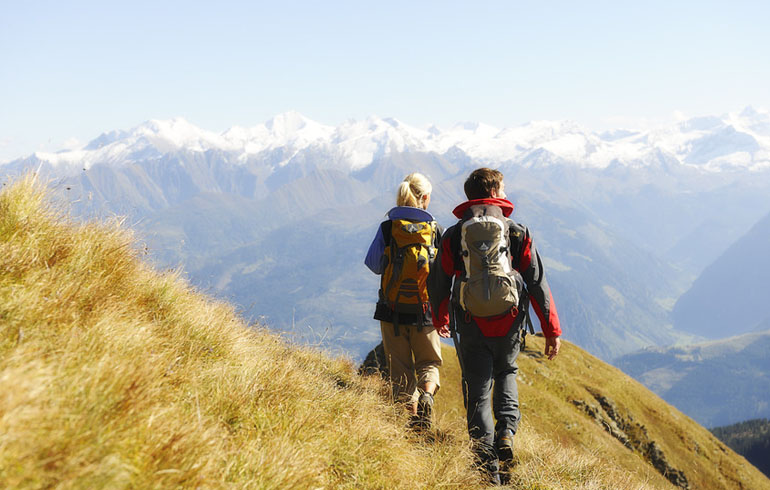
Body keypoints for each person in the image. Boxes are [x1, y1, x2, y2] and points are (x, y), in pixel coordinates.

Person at [428, 167, 562, 484]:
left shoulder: (454, 235)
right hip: (509, 322)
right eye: (502, 188)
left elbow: (438, 282)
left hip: (471, 322)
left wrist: (441, 317)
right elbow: (538, 284)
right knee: (506, 371)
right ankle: (506, 434)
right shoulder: (516, 233)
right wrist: (551, 330)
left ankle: (485, 465)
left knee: (477, 388)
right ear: (495, 192)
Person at [364, 173, 444, 430]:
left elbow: (374, 265)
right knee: (428, 363)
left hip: (392, 310)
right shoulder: (434, 231)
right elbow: (443, 275)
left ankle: (409, 423)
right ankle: (428, 395)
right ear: (425, 198)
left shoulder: (388, 228)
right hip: (425, 311)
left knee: (400, 371)